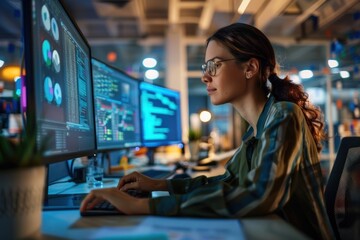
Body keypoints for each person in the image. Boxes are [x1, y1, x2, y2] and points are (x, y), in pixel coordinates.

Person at [80, 23, 334, 239]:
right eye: (205, 68)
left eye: (214, 65)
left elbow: (257, 195)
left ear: (250, 68)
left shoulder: (283, 115)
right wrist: (160, 184)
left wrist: (142, 205)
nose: (205, 77)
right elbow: (228, 183)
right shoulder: (255, 131)